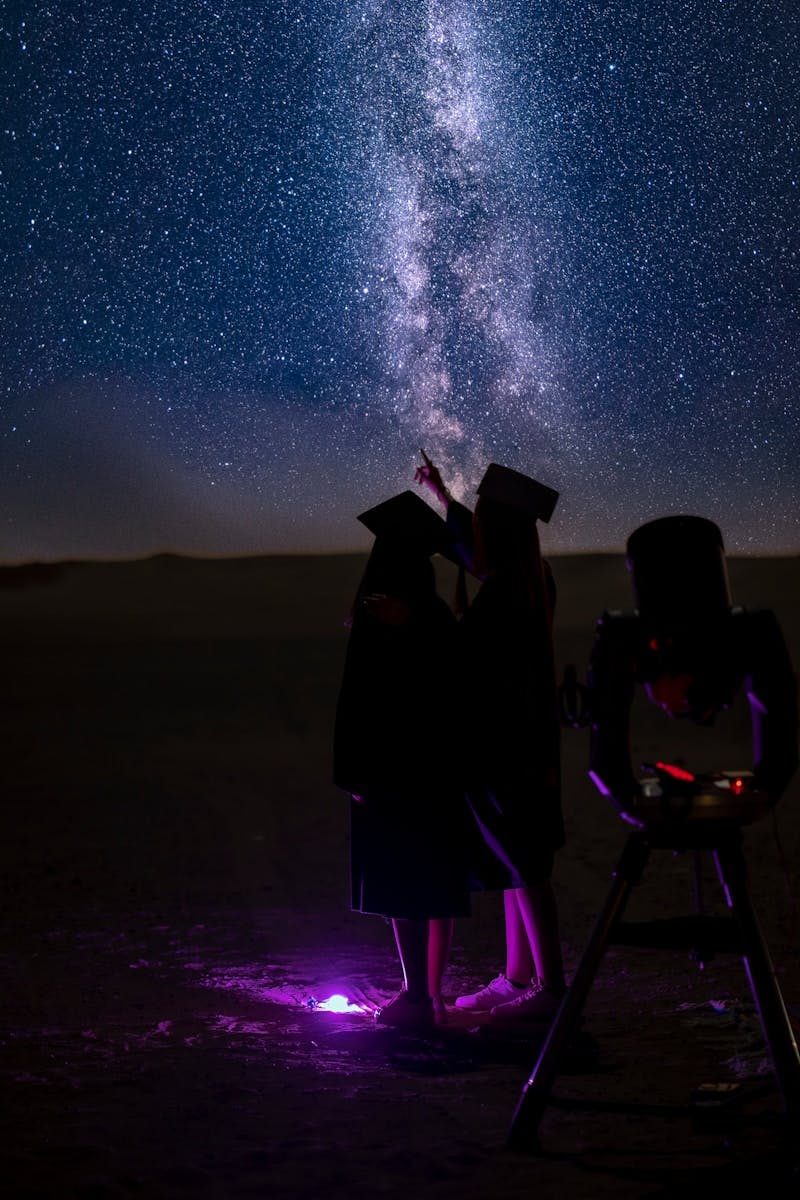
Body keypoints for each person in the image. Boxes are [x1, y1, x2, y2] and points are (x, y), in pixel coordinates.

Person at [415, 455, 567, 1024]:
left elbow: (463, 658)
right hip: (523, 747)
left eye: (480, 520)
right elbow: (478, 557)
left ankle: (549, 989)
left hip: (505, 751)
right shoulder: (531, 579)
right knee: (515, 859)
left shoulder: (507, 596)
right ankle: (519, 979)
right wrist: (443, 498)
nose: (473, 528)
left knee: (524, 861)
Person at [333, 490, 470, 1028]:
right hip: (433, 769)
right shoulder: (434, 615)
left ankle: (418, 998)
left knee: (405, 882)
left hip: (394, 770)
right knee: (428, 882)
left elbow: (359, 698)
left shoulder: (391, 617)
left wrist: (352, 770)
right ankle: (427, 994)